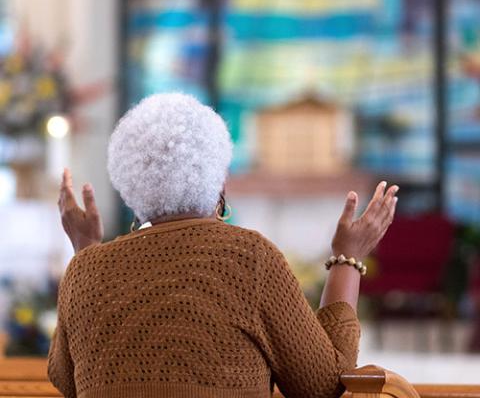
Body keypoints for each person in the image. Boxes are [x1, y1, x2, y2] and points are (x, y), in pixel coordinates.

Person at [48, 92, 398, 398]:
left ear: (127, 184)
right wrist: (347, 259)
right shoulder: (250, 258)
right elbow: (323, 386)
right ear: (218, 181)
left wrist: (87, 249)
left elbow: (69, 379)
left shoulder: (86, 269)